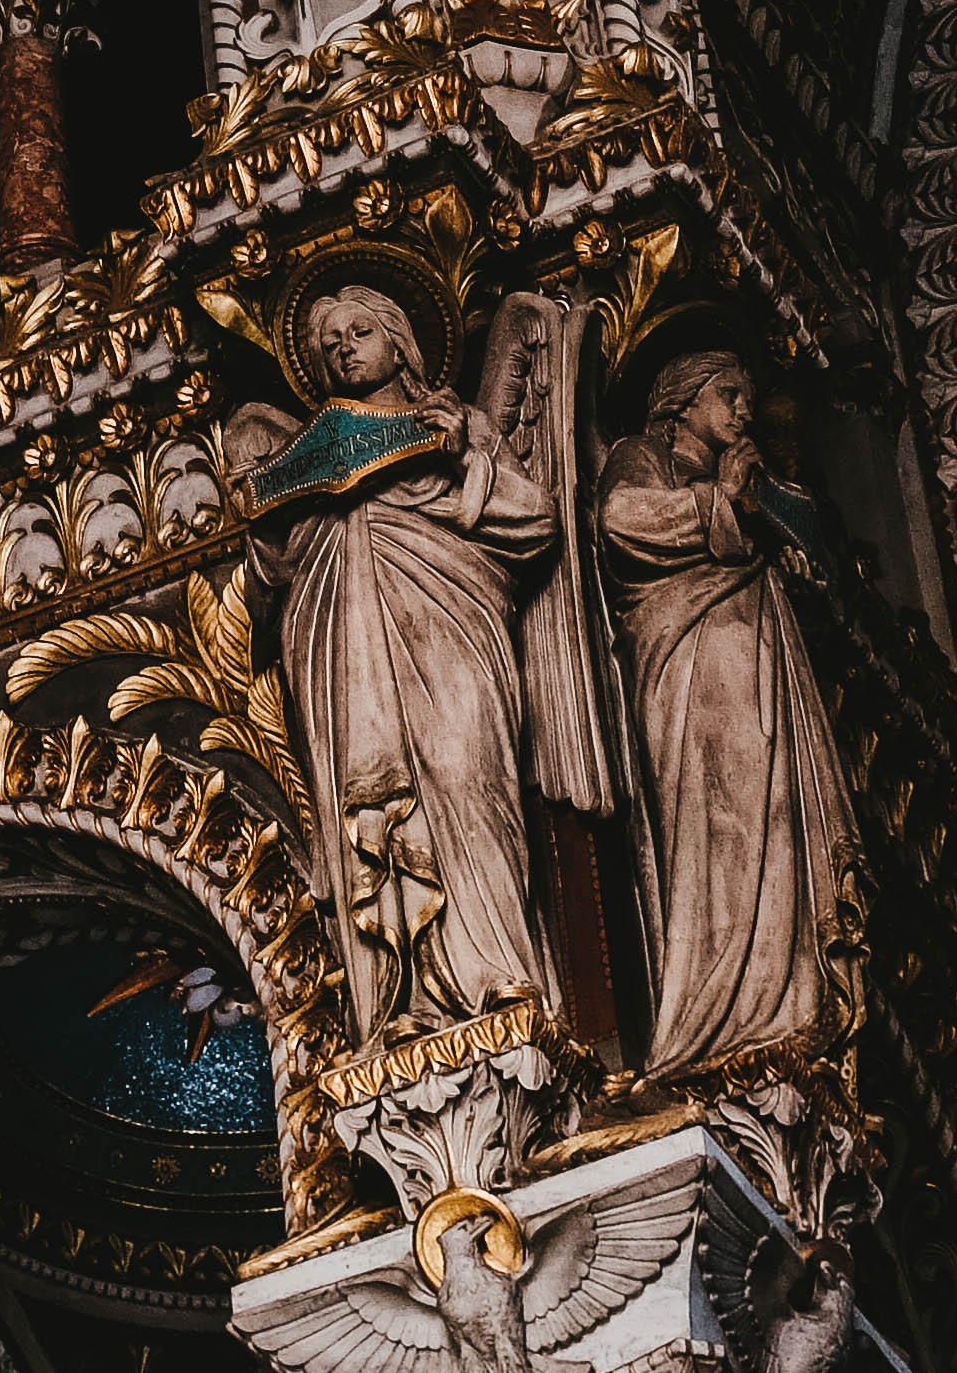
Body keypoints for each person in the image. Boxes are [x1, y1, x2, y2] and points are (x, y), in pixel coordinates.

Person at [252, 272, 558, 1045]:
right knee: (372, 807)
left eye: (359, 333)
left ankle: (496, 974)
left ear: (399, 344)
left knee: (463, 774)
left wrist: (462, 461)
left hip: (450, 629)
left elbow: (537, 521)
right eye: (329, 346)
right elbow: (279, 572)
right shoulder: (312, 456)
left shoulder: (455, 426)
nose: (344, 351)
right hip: (345, 653)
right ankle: (406, 1000)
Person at [600, 353, 857, 1067]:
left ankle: (784, 1002)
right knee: (713, 825)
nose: (744, 410)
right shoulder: (640, 455)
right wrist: (723, 500)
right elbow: (621, 519)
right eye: (728, 394)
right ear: (682, 403)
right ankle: (720, 1013)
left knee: (771, 817)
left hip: (758, 666)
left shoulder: (751, 477)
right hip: (686, 666)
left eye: (747, 397)